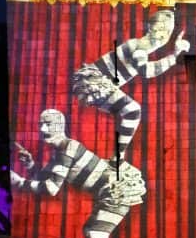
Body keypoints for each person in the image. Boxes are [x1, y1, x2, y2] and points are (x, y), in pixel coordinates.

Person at [12, 110, 146, 238]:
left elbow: (50, 188)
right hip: (109, 191)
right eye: (40, 124)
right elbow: (44, 178)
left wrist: (17, 182)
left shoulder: (67, 149)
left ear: (60, 125)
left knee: (95, 234)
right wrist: (31, 164)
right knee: (92, 233)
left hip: (115, 190)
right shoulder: (60, 153)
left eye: (47, 124)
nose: (42, 129)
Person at [69, 8, 188, 160]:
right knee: (133, 110)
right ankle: (118, 157)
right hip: (94, 82)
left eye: (167, 31)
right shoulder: (140, 46)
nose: (164, 36)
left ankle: (118, 157)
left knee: (130, 111)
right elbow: (146, 71)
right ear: (155, 29)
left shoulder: (139, 46)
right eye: (164, 30)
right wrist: (174, 57)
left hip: (93, 83)